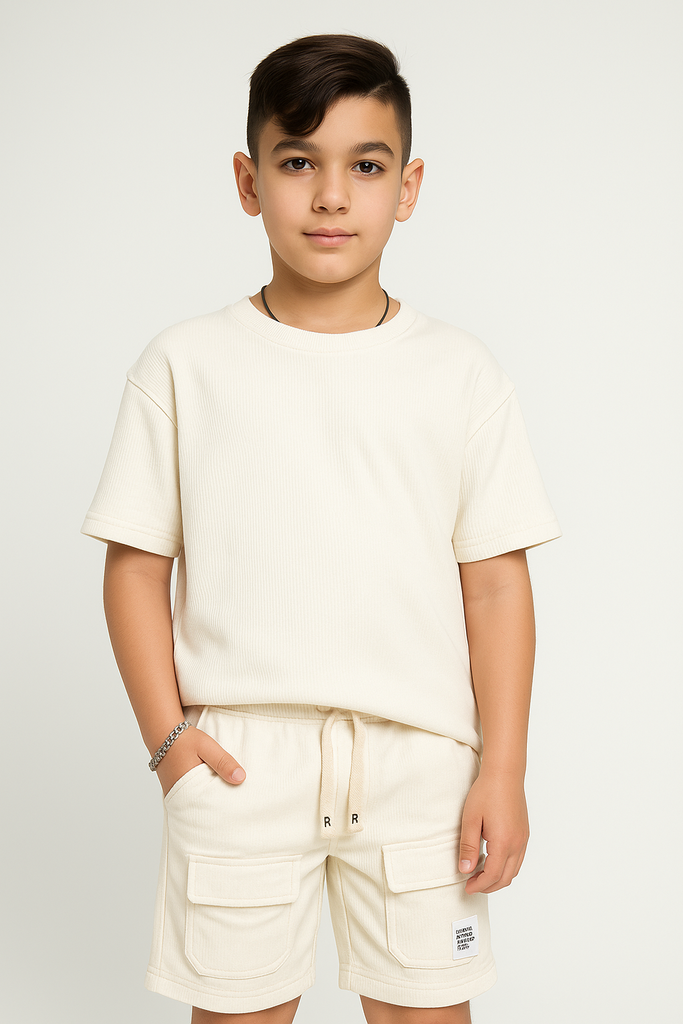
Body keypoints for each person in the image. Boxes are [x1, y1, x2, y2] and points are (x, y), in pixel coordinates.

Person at [81, 33, 561, 1024]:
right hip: (242, 761)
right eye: (298, 162)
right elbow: (134, 567)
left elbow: (494, 584)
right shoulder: (185, 364)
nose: (331, 196)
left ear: (408, 186)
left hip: (420, 764)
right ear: (248, 181)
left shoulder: (461, 374)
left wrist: (502, 769)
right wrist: (170, 744)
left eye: (365, 166)